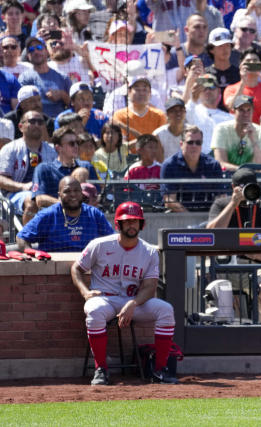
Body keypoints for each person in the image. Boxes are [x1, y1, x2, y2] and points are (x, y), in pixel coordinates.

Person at [70, 201, 178, 385]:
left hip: (133, 302)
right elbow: (76, 269)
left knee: (166, 310)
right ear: (118, 224)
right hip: (104, 299)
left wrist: (133, 303)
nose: (131, 225)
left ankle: (160, 370)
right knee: (94, 312)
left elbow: (150, 287)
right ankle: (101, 369)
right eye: (126, 221)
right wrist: (85, 292)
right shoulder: (100, 245)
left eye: (135, 221)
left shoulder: (150, 251)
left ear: (141, 224)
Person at [206, 168, 261, 324]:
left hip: (258, 264)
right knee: (217, 285)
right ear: (232, 187)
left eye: (251, 186)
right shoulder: (221, 205)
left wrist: (253, 255)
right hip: (226, 264)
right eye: (242, 187)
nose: (246, 191)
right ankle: (226, 329)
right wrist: (233, 203)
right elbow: (211, 235)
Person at [17, 176, 113, 252]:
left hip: (87, 268)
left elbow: (112, 239)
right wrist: (31, 255)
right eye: (67, 191)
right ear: (59, 195)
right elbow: (21, 238)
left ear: (81, 193)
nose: (72, 194)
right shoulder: (47, 215)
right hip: (54, 270)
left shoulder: (94, 214)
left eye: (76, 191)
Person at [0, 110, 57, 225]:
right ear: (21, 127)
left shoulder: (53, 150)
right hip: (15, 194)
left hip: (48, 193)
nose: (37, 125)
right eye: (32, 121)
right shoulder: (10, 148)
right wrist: (23, 186)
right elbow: (1, 179)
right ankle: (27, 238)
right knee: (32, 200)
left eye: (40, 122)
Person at [32, 126, 98, 209]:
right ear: (58, 148)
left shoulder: (87, 166)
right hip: (56, 215)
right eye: (71, 143)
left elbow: (97, 195)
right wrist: (69, 206)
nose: (76, 146)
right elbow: (39, 199)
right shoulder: (44, 168)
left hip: (83, 216)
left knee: (82, 172)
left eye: (77, 142)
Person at [161, 124, 224, 212]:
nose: (194, 146)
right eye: (190, 142)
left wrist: (212, 217)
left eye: (198, 143)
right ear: (181, 144)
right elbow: (169, 201)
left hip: (208, 215)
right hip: (179, 218)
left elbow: (220, 197)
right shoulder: (169, 165)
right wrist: (190, 218)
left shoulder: (213, 165)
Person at [212, 95, 261, 172]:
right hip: (227, 177)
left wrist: (253, 140)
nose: (245, 114)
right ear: (234, 111)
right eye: (241, 110)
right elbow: (220, 163)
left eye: (249, 110)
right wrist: (243, 171)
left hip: (251, 178)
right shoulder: (221, 129)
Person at [19, 37, 71, 119]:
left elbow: (73, 105)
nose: (36, 51)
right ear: (28, 56)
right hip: (36, 122)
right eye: (31, 50)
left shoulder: (62, 77)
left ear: (47, 52)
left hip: (59, 122)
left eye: (39, 48)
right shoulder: (24, 78)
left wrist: (62, 95)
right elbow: (22, 106)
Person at [183, 72, 233, 155]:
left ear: (218, 91)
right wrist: (193, 99)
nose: (208, 90)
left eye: (211, 86)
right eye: (203, 88)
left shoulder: (230, 118)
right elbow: (186, 116)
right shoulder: (191, 109)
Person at [223, 47, 261, 124]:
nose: (252, 63)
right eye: (248, 61)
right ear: (241, 65)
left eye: (255, 61)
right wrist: (243, 81)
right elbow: (231, 107)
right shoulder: (231, 89)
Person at [112, 76, 167, 143]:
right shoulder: (120, 115)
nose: (141, 93)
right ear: (129, 92)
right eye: (137, 89)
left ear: (150, 93)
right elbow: (122, 144)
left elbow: (162, 142)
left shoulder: (159, 115)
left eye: (144, 90)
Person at [153, 97, 186, 162]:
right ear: (167, 114)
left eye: (181, 110)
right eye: (174, 111)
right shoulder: (158, 134)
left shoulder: (192, 132)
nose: (178, 114)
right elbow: (159, 161)